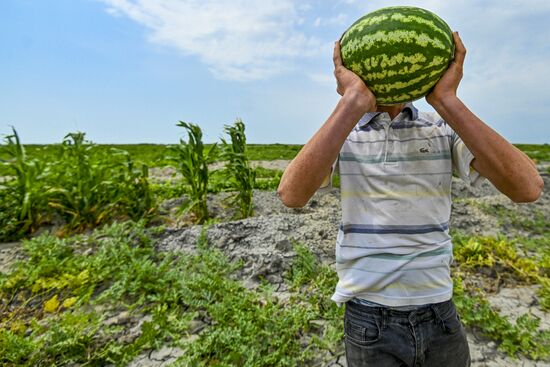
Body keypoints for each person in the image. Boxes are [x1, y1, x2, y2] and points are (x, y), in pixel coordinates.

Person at [277, 32, 544, 367]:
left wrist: (447, 101)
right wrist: (351, 103)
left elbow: (527, 188)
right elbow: (292, 194)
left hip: (439, 310)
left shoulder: (441, 127)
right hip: (368, 317)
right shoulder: (343, 130)